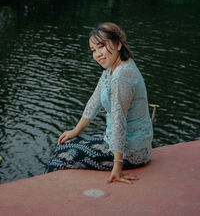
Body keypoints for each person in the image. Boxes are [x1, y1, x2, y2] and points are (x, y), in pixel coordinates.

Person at [45, 22, 153, 184]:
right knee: (65, 144)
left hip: (131, 152)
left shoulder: (122, 76)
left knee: (60, 160)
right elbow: (94, 102)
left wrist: (118, 167)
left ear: (118, 44)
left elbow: (119, 121)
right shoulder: (111, 68)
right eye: (93, 50)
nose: (97, 55)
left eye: (101, 47)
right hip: (114, 141)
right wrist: (75, 130)